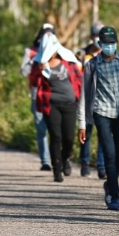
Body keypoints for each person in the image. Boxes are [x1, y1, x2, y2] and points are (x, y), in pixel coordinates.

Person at [77, 26, 119, 210]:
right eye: (106, 43)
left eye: (112, 43)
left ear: (116, 43)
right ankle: (115, 196)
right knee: (109, 154)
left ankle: (109, 183)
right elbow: (85, 94)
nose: (109, 46)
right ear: (100, 44)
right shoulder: (91, 65)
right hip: (102, 113)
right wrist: (82, 123)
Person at [31, 31, 83, 182]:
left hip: (70, 104)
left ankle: (65, 158)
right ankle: (57, 169)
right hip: (51, 104)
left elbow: (79, 79)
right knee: (56, 136)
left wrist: (82, 98)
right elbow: (34, 82)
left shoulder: (67, 60)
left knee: (68, 138)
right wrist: (40, 71)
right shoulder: (39, 64)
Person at [20, 23, 55, 171]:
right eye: (44, 33)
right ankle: (45, 161)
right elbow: (23, 71)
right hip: (37, 95)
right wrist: (36, 60)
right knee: (41, 129)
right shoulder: (31, 52)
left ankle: (57, 159)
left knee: (55, 130)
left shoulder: (58, 52)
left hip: (55, 95)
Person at [78, 22, 106, 178]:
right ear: (91, 37)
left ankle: (101, 167)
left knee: (103, 135)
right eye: (96, 35)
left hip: (103, 102)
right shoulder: (82, 55)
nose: (98, 39)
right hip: (87, 99)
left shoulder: (110, 55)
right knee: (85, 134)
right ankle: (85, 163)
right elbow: (76, 76)